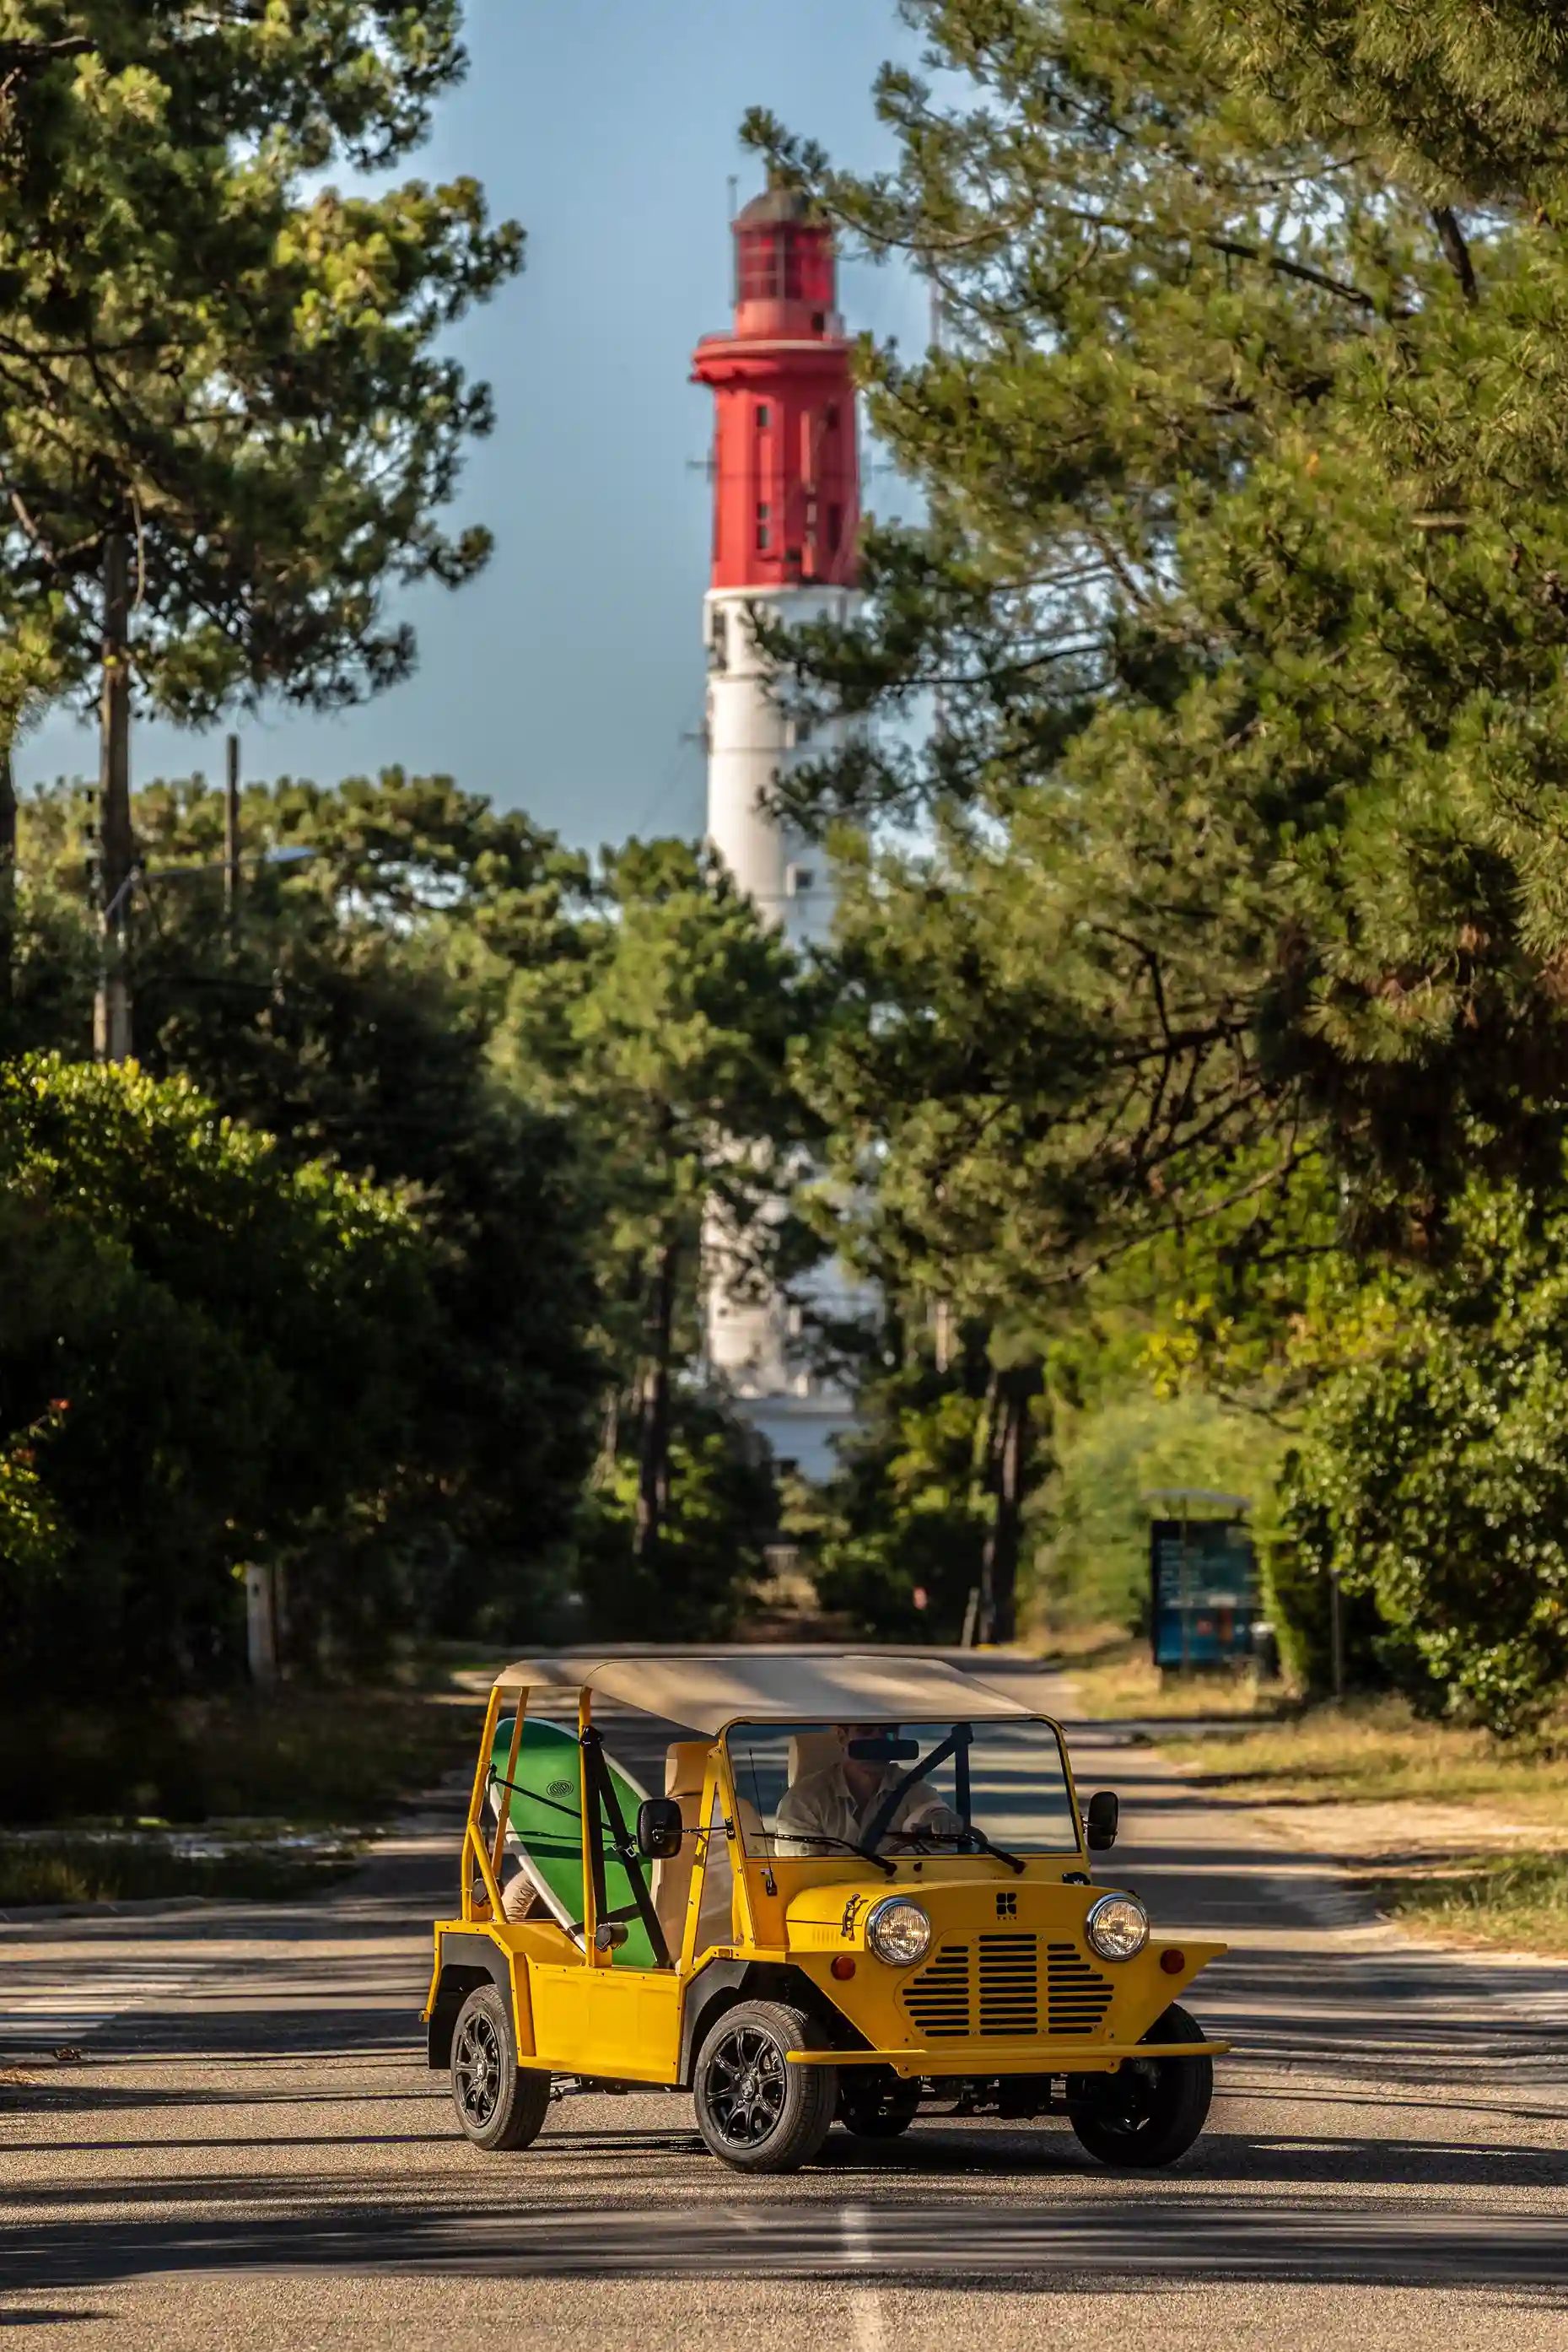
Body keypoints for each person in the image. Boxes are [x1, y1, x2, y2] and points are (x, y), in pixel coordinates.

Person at [775, 1723, 964, 1857]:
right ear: (842, 1737)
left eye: (887, 1732)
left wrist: (941, 1821)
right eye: (865, 1731)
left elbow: (928, 1810)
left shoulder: (910, 1786)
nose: (878, 1740)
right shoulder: (803, 1801)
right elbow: (802, 1874)